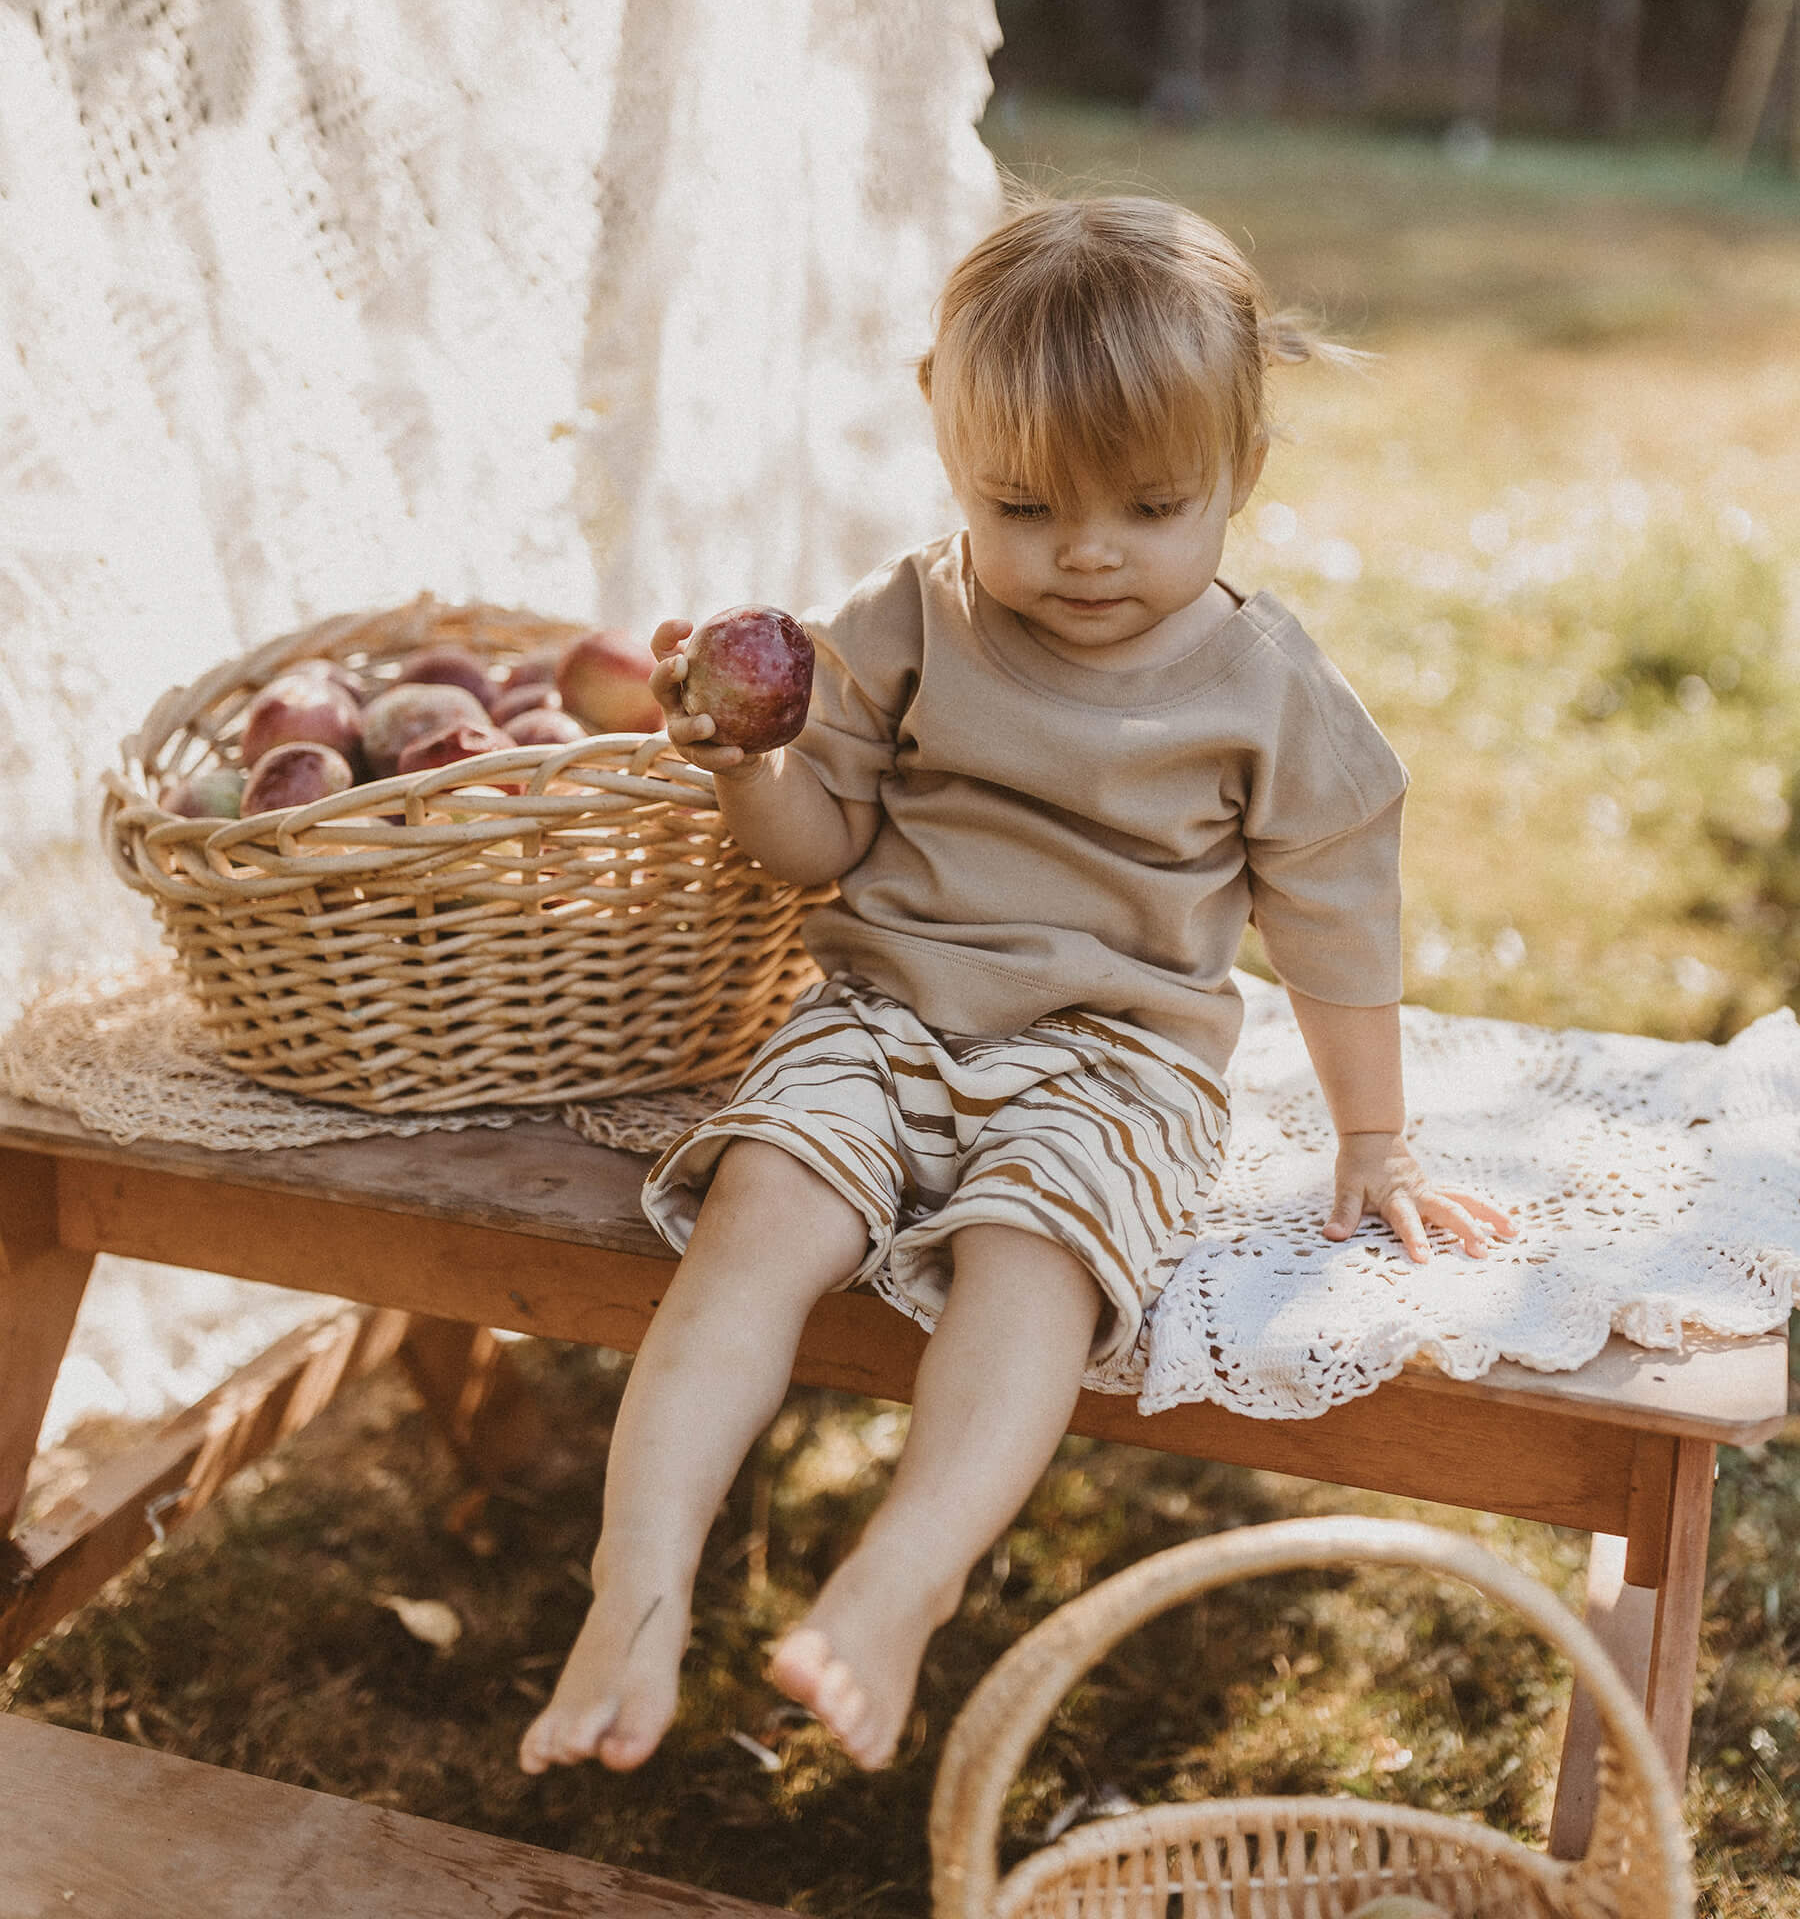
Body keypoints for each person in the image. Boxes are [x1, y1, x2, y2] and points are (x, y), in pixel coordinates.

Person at [518, 193, 1514, 1782]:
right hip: (882, 1016)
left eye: (1150, 503)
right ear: (947, 442)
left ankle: (901, 1585)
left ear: (1242, 474)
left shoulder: (1264, 683)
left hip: (1119, 1058)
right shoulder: (907, 621)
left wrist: (1374, 1138)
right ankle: (633, 1585)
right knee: (757, 1213)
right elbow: (817, 843)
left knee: (1030, 1258)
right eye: (1025, 504)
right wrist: (744, 767)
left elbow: (1333, 917)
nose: (1088, 550)